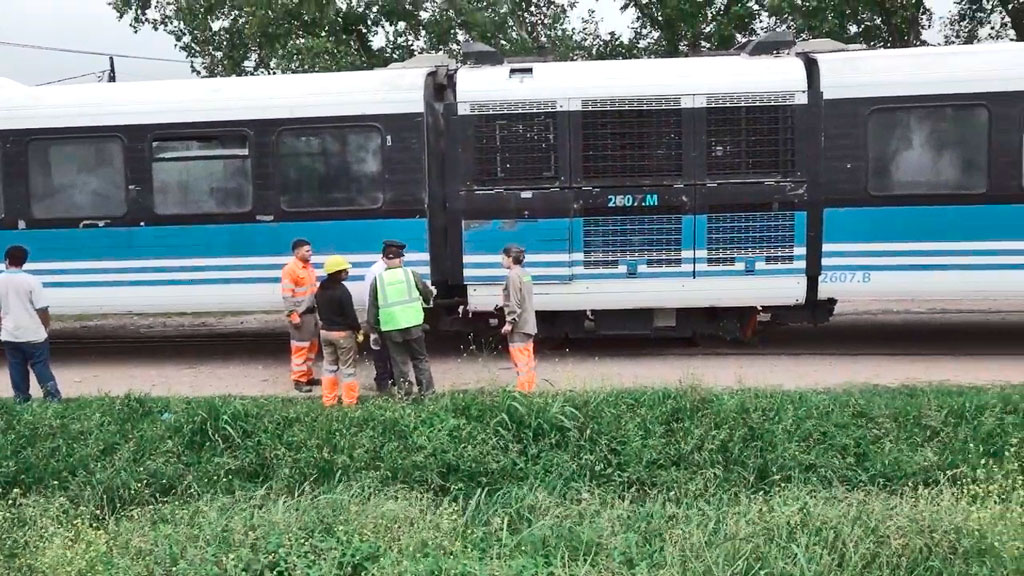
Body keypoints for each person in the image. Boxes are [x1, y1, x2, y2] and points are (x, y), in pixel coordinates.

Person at [366, 242, 435, 398]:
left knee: (399, 363)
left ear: (384, 260)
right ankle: (427, 393)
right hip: (414, 325)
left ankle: (405, 395)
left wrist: (373, 329)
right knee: (420, 360)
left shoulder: (378, 280)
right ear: (401, 259)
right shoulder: (411, 274)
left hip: (391, 328)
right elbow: (426, 293)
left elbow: (373, 307)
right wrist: (428, 299)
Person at [0, 245, 62, 403]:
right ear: (24, 261)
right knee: (41, 366)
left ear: (6, 260)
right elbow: (42, 309)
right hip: (33, 333)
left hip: (10, 334)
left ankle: (21, 399)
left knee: (16, 368)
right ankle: (52, 398)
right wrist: (45, 327)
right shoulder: (31, 281)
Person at [315, 255, 363, 406]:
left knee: (329, 367)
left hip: (325, 332)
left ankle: (329, 401)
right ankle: (349, 402)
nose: (347, 273)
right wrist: (358, 330)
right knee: (348, 369)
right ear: (337, 273)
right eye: (345, 271)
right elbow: (350, 315)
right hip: (342, 333)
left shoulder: (321, 289)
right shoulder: (342, 291)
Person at [281, 238, 320, 393]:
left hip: (311, 314)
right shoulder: (290, 270)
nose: (311, 253)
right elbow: (287, 296)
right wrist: (293, 315)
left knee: (311, 349)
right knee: (300, 349)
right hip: (300, 316)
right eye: (307, 251)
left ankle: (307, 376)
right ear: (297, 253)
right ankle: (299, 380)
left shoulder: (308, 268)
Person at [362, 240, 400, 394]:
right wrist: (372, 325)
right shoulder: (375, 272)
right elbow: (369, 299)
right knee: (380, 354)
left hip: (393, 319)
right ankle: (383, 384)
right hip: (379, 320)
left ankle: (393, 380)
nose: (400, 258)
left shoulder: (396, 269)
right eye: (397, 255)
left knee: (394, 353)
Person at [501, 244, 537, 393]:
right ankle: (530, 389)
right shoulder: (525, 273)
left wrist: (509, 322)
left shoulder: (513, 276)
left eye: (503, 257)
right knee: (528, 361)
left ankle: (523, 393)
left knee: (520, 361)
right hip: (529, 323)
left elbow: (514, 301)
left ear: (510, 259)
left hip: (519, 325)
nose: (501, 261)